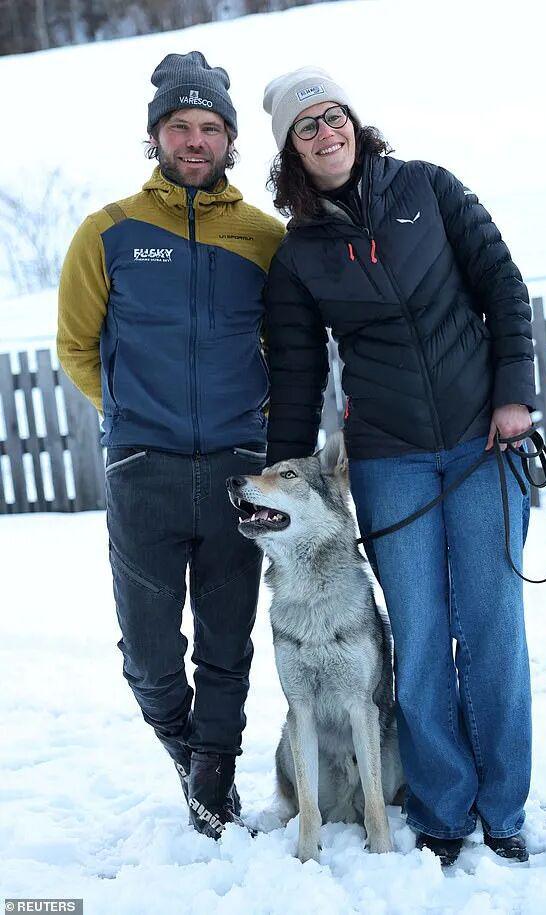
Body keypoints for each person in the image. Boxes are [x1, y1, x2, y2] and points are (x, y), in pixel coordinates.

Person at [261, 68, 534, 865]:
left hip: (483, 441)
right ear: (290, 149)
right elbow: (298, 377)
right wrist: (282, 486)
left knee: (492, 628)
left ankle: (504, 807)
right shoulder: (299, 255)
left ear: (354, 120)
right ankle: (441, 809)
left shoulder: (427, 188)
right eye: (306, 126)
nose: (326, 133)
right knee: (416, 640)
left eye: (333, 116)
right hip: (388, 461)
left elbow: (502, 283)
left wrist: (513, 393)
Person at [57, 51, 285, 840]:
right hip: (143, 470)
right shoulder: (108, 232)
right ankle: (189, 753)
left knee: (227, 639)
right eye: (180, 126)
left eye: (210, 127)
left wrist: (256, 423)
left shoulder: (264, 238)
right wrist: (131, 415)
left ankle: (214, 776)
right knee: (148, 652)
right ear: (155, 136)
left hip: (235, 471)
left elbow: (287, 347)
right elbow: (76, 345)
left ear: (231, 140)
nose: (195, 140)